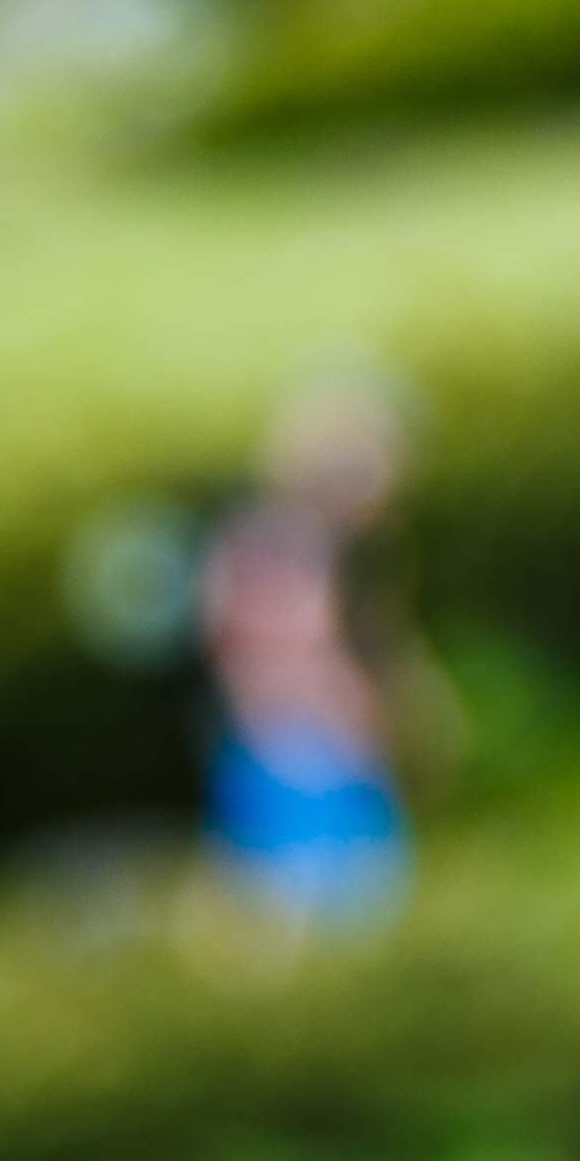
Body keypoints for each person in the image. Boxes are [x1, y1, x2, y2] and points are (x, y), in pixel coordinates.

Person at [196, 372, 426, 926]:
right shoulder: (273, 550)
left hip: (324, 762)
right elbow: (270, 656)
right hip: (293, 763)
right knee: (301, 907)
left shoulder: (316, 551)